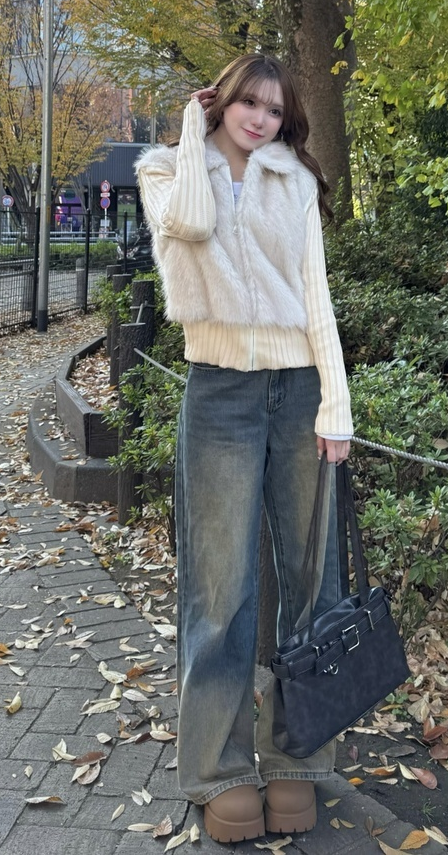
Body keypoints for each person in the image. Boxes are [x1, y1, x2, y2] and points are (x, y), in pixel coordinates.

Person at [136, 53, 353, 844]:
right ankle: (219, 768)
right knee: (220, 589)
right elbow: (190, 226)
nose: (260, 119)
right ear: (220, 101)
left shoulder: (292, 178)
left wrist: (336, 402)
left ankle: (299, 757)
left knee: (313, 581)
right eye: (247, 103)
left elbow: (316, 292)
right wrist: (192, 134)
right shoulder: (165, 171)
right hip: (218, 394)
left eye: (274, 109)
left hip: (299, 392)